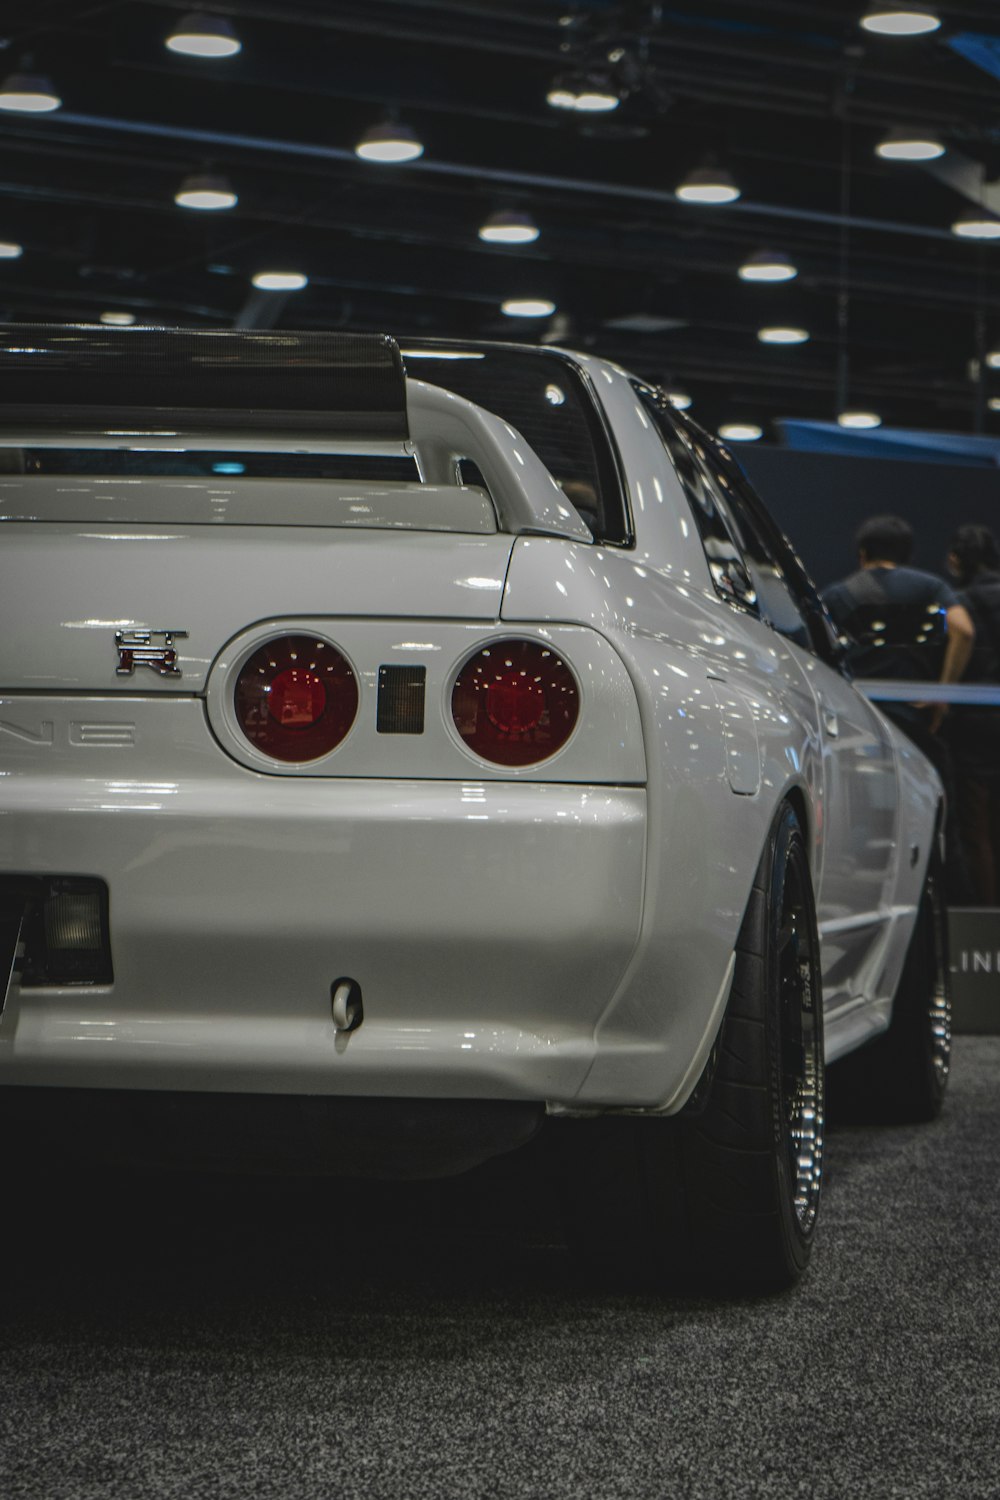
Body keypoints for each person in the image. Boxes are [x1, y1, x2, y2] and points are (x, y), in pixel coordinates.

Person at [822, 514, 976, 901]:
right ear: (906, 554)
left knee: (858, 825)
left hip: (858, 726)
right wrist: (943, 692)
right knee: (939, 823)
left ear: (862, 554)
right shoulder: (929, 587)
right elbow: (963, 629)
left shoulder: (840, 594)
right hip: (916, 725)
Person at [946, 524, 1000, 906]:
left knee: (976, 827)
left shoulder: (960, 600)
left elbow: (960, 639)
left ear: (958, 559)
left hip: (974, 723)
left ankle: (986, 922)